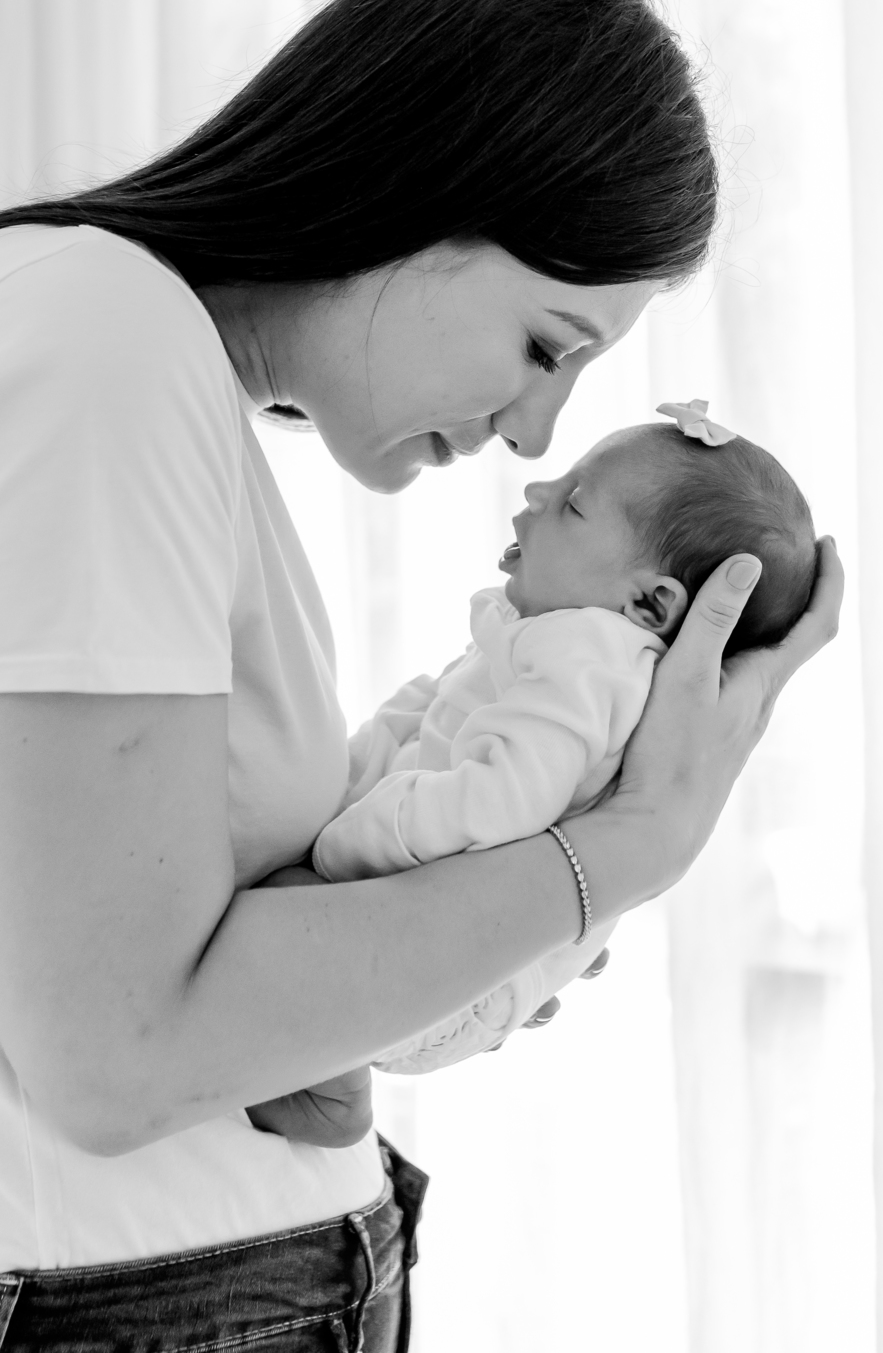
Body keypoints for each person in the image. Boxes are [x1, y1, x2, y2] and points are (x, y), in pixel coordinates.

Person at [0, 0, 843, 1352]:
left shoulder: (135, 357)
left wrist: (439, 950)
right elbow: (114, 1054)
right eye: (549, 346)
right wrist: (625, 846)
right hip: (119, 1301)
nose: (537, 435)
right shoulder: (96, 338)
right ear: (427, 189)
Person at [253, 405, 815, 1093]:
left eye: (573, 504)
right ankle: (324, 1090)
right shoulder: (564, 648)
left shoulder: (591, 659)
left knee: (274, 912)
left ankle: (327, 1089)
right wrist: (343, 778)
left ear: (651, 604)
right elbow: (427, 714)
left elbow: (498, 800)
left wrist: (338, 846)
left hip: (451, 971)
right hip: (464, 960)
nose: (536, 494)